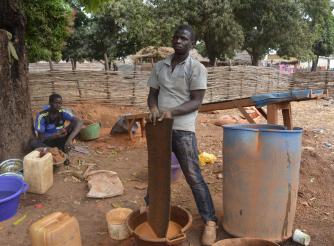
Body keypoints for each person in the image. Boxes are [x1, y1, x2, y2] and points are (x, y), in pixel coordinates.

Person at [146, 24, 217, 245]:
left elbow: (196, 101)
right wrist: (154, 110)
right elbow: (152, 95)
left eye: (184, 38)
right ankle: (150, 210)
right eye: (176, 37)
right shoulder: (160, 66)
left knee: (193, 176)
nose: (179, 41)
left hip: (183, 129)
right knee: (157, 172)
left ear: (191, 43)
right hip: (160, 127)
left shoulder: (196, 68)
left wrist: (172, 112)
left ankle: (210, 222)